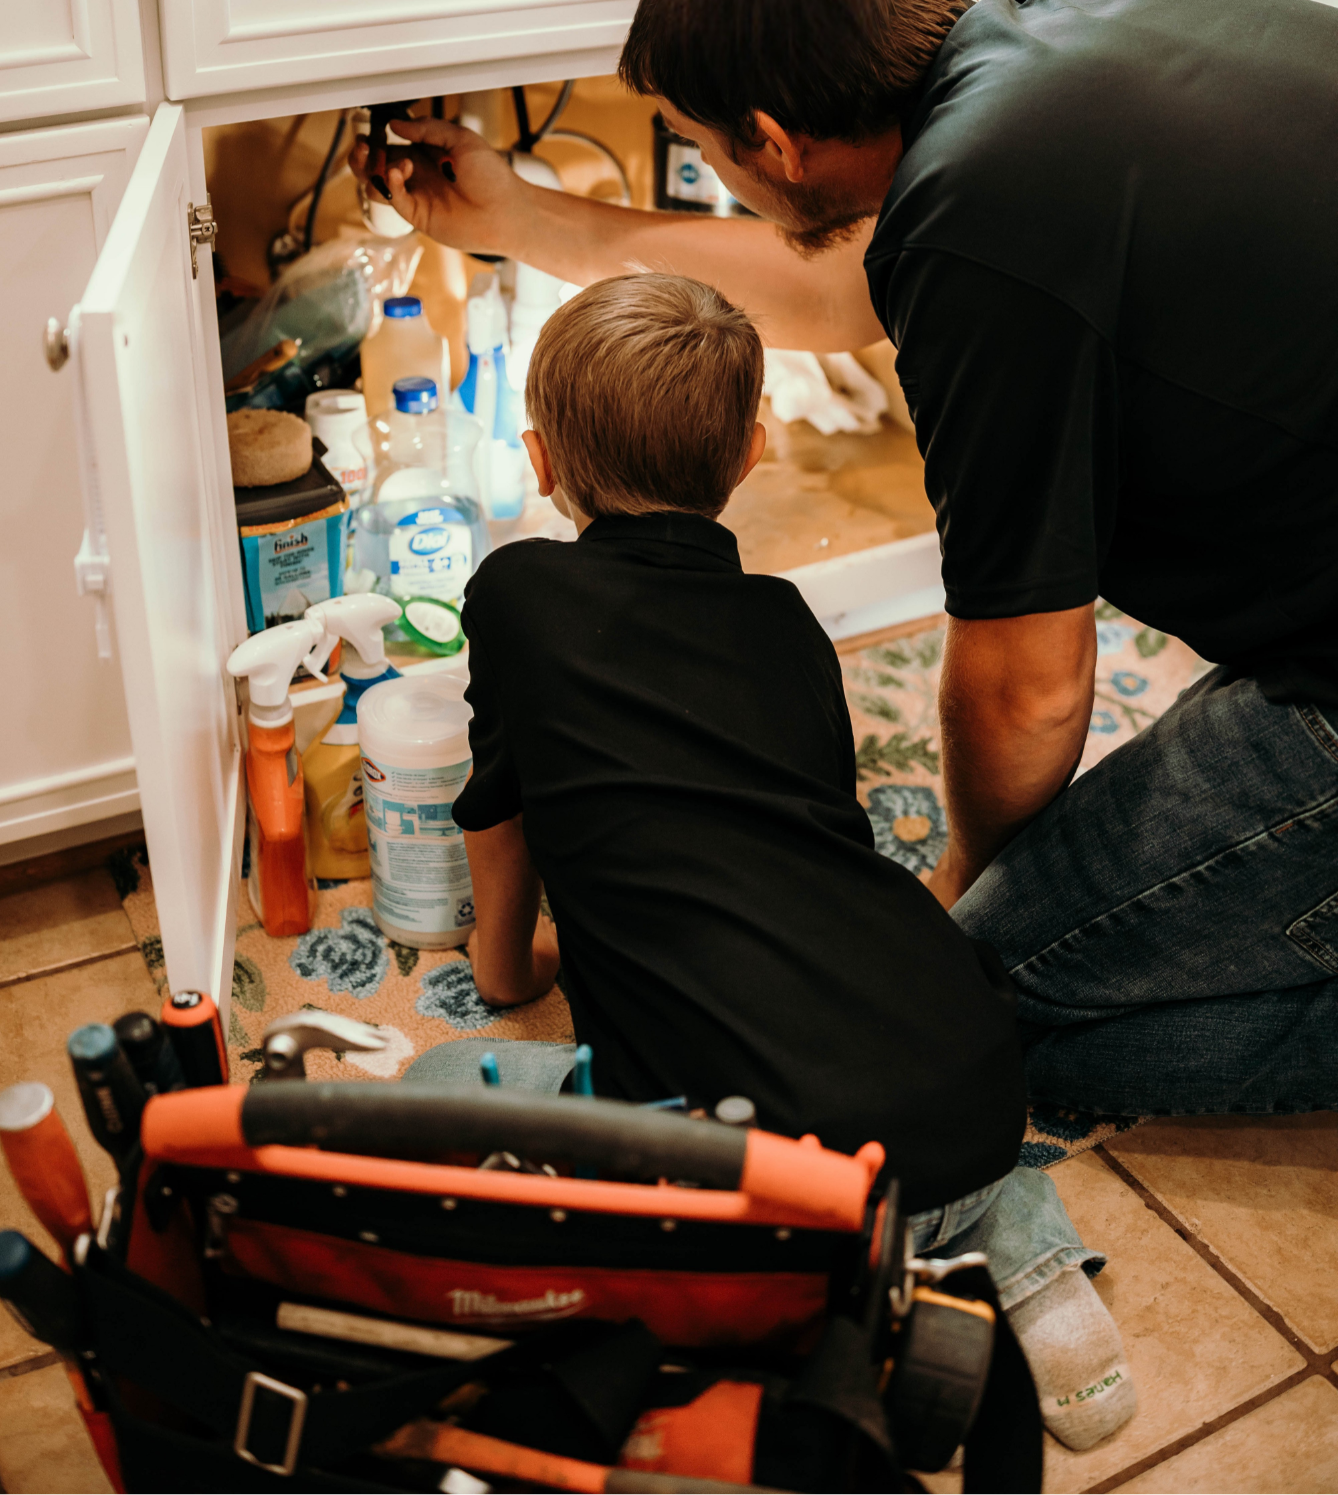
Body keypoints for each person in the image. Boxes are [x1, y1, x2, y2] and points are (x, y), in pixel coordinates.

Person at [351, 0, 1338, 1137]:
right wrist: (524, 222)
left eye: (701, 145)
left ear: (773, 138)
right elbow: (847, 284)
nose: (717, 169)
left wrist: (969, 883)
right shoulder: (1082, 12)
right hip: (1311, 608)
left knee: (975, 1010)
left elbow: (1028, 686)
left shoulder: (983, 222)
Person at [423, 271, 1135, 1451]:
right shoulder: (792, 624)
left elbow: (501, 815)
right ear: (755, 449)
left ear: (540, 461)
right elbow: (803, 826)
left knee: (443, 1089)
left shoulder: (512, 594)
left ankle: (810, 1307)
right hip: (961, 1076)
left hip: (761, 1170)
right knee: (920, 1130)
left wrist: (508, 968)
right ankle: (1022, 1246)